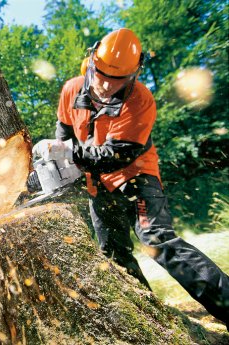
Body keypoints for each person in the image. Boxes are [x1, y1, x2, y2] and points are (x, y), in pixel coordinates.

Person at [33, 28, 229, 325]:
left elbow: (115, 156)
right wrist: (58, 151)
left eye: (116, 80)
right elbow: (64, 130)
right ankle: (155, 324)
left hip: (136, 177)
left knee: (158, 241)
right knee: (114, 255)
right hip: (97, 186)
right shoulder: (72, 90)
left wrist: (70, 153)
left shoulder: (140, 100)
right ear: (92, 61)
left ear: (132, 74)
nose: (104, 85)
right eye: (100, 75)